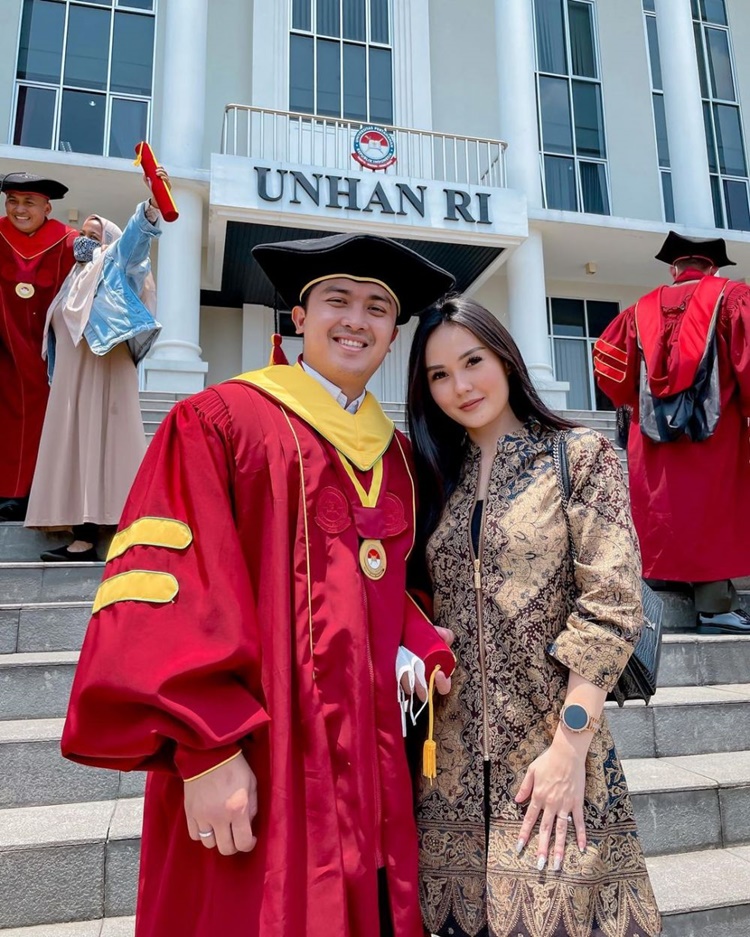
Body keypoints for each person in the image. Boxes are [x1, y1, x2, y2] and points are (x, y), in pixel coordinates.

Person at [62, 232, 457, 937]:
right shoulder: (219, 423)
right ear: (298, 318)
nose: (356, 321)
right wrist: (207, 750)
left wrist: (421, 646)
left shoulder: (396, 455)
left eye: (377, 307)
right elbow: (167, 592)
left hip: (373, 765)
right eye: (336, 300)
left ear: (394, 333)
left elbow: (397, 590)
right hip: (263, 757)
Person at [407, 296, 661, 937]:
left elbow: (611, 607)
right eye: (439, 374)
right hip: (449, 773)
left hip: (552, 754)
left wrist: (568, 751)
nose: (460, 386)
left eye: (473, 361)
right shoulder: (434, 478)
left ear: (506, 358)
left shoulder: (578, 458)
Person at [593, 232, 750, 634]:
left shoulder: (638, 310)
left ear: (673, 270)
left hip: (652, 436)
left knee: (659, 505)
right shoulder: (732, 298)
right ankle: (715, 607)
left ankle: (658, 583)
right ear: (712, 268)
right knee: (713, 507)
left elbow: (610, 371)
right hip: (715, 435)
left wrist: (639, 400)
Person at [24, 171, 165, 561]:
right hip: (72, 377)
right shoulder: (74, 276)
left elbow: (135, 244)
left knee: (102, 442)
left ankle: (93, 536)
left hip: (102, 368)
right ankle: (76, 526)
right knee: (74, 446)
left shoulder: (115, 263)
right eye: (81, 232)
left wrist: (151, 208)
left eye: (92, 232)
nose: (83, 239)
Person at [0, 172, 77, 521]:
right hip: (5, 344)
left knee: (37, 417)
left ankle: (23, 494)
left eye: (28, 202)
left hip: (45, 352)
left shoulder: (66, 240)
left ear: (46, 207)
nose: (19, 209)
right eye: (12, 200)